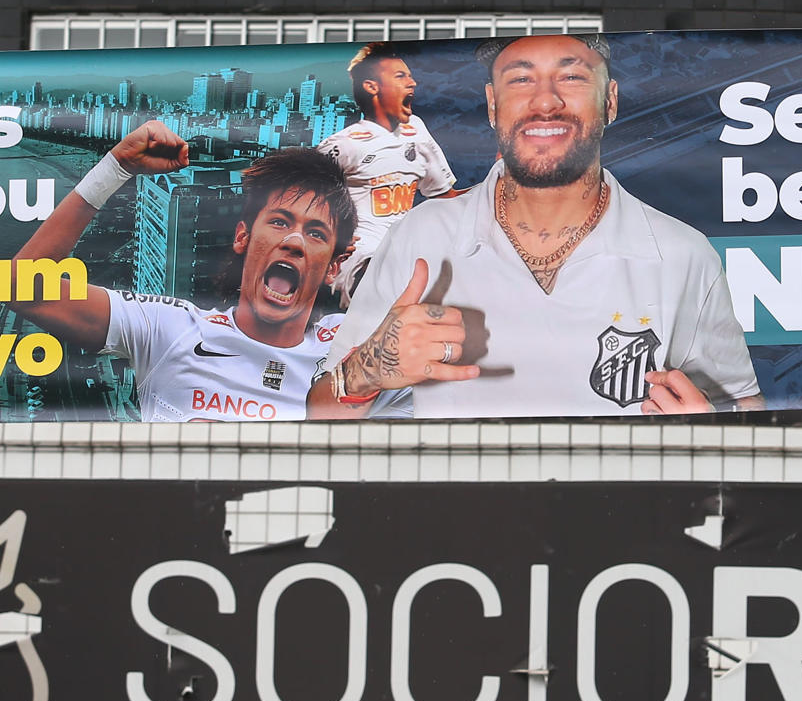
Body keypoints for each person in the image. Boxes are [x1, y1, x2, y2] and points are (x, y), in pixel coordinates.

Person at [312, 33, 762, 418]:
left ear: (610, 101)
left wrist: (714, 435)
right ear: (492, 105)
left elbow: (745, 409)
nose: (546, 101)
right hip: (455, 517)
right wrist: (365, 371)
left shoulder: (682, 253)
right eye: (521, 78)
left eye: (571, 76)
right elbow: (320, 413)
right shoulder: (419, 236)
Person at [12, 121, 473, 422]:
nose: (293, 240)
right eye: (278, 222)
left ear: (334, 264)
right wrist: (115, 169)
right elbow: (23, 288)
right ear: (242, 238)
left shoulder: (362, 343)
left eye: (315, 233)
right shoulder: (171, 327)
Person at [317, 43, 463, 304]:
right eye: (400, 76)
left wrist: (498, 187)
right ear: (372, 87)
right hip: (361, 261)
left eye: (410, 75)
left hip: (408, 254)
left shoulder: (416, 129)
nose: (413, 83)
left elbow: (446, 197)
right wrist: (331, 242)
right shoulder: (343, 145)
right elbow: (299, 200)